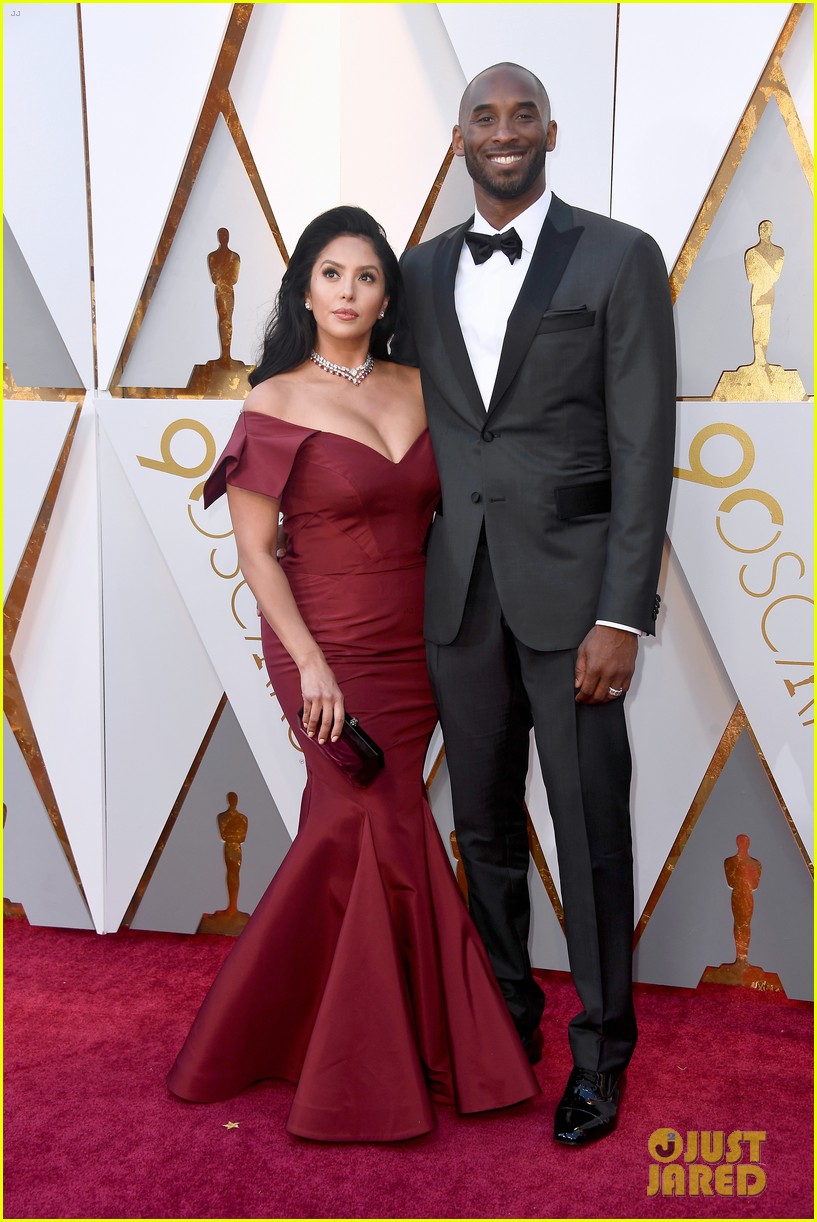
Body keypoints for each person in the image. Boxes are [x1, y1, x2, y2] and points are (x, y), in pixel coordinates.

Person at [166, 206, 538, 1142]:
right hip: (322, 644)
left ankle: (352, 1035)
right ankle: (363, 1062)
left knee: (393, 821)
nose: (348, 292)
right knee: (359, 821)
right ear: (304, 288)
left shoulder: (421, 386)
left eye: (366, 277)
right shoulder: (273, 401)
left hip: (419, 646)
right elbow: (256, 553)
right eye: (331, 274)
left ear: (385, 295)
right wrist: (310, 667)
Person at [393, 64, 677, 1145]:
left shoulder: (617, 257)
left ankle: (600, 1054)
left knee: (589, 827)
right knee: (483, 829)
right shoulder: (417, 273)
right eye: (484, 117)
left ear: (550, 131)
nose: (504, 133)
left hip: (576, 608)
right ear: (458, 137)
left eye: (521, 116)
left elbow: (644, 448)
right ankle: (503, 1019)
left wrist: (622, 613)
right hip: (458, 594)